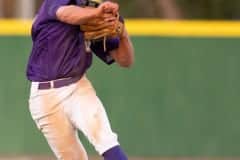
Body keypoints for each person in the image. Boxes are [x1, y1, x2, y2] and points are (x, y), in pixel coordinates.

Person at [26, 0, 134, 159]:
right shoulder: (57, 3)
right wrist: (96, 13)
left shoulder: (92, 13)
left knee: (105, 139)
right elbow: (66, 14)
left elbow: (125, 61)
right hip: (44, 97)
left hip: (78, 87)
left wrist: (123, 34)